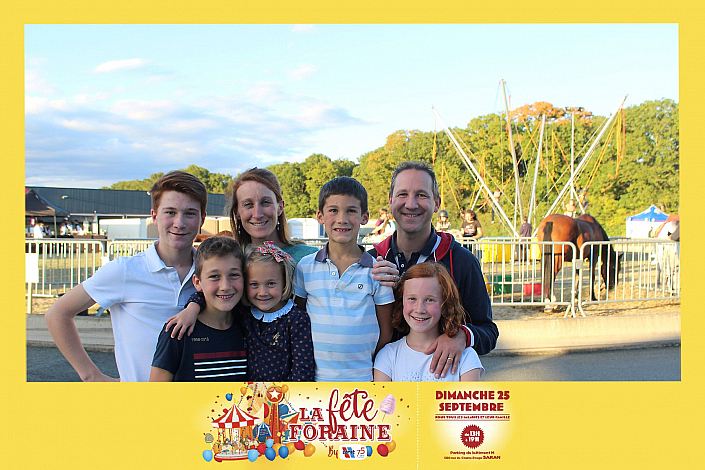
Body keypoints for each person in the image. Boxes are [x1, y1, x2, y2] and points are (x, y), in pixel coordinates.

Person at [168, 167, 399, 339]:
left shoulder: (307, 259)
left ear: (280, 206)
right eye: (248, 204)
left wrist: (384, 271)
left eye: (265, 202)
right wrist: (193, 307)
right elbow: (213, 289)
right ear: (237, 212)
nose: (258, 213)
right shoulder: (232, 258)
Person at [45, 170, 208, 381]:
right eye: (170, 212)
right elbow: (57, 314)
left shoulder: (212, 274)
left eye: (190, 213)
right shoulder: (125, 271)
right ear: (154, 216)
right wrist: (91, 376)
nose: (179, 222)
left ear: (202, 218)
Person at [369, 161, 498, 379]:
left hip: (442, 386)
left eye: (421, 195)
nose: (411, 204)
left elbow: (489, 332)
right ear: (391, 201)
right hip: (382, 385)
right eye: (402, 194)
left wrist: (461, 336)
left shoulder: (462, 261)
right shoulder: (372, 262)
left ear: (436, 203)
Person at [294, 176, 395, 381]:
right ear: (320, 217)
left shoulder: (377, 271)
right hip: (313, 380)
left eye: (351, 211)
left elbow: (386, 331)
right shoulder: (305, 267)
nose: (342, 219)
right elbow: (299, 319)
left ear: (364, 217)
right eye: (333, 210)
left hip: (363, 380)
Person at [150, 236, 247, 381]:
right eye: (214, 276)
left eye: (234, 275)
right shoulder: (178, 331)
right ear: (197, 282)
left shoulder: (250, 327)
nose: (225, 286)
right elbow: (155, 391)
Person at [373, 263, 483, 381]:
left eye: (430, 300)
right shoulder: (387, 356)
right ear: (401, 301)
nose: (419, 309)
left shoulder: (466, 357)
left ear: (445, 305)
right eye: (412, 299)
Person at [242, 242, 315, 381]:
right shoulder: (244, 315)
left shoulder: (297, 320)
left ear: (284, 282)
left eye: (271, 283)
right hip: (248, 393)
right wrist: (197, 304)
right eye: (254, 284)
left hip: (287, 393)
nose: (262, 292)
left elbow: (303, 368)